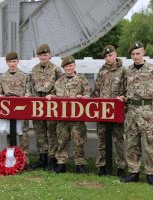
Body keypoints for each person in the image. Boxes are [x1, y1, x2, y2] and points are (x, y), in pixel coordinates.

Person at [46, 55, 90, 173]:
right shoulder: (59, 81)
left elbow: (89, 95)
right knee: (61, 141)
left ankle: (80, 164)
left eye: (70, 66)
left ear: (74, 66)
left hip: (77, 118)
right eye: (66, 66)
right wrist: (51, 96)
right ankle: (61, 163)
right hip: (62, 118)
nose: (69, 68)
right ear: (63, 68)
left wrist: (83, 97)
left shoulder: (82, 80)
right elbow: (54, 94)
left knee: (78, 141)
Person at [121, 41, 153, 185]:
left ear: (143, 52)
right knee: (132, 143)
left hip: (147, 111)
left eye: (138, 53)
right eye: (133, 54)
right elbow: (124, 90)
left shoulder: (151, 69)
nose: (135, 56)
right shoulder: (127, 71)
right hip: (132, 111)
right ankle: (133, 172)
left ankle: (150, 173)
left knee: (149, 144)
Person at [93, 45, 126, 177]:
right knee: (102, 140)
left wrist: (122, 101)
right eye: (106, 56)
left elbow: (126, 90)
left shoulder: (123, 71)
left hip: (116, 112)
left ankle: (120, 167)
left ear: (115, 54)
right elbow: (96, 91)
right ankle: (102, 165)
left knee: (118, 140)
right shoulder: (101, 71)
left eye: (110, 55)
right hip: (102, 112)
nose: (108, 58)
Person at [0, 51, 31, 170]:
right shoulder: (2, 77)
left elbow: (28, 92)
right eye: (10, 62)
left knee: (23, 134)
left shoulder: (24, 76)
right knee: (9, 133)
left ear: (18, 62)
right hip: (8, 108)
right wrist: (0, 97)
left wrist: (26, 96)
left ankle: (24, 160)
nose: (12, 64)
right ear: (7, 63)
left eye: (14, 61)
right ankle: (11, 158)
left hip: (21, 107)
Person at [31, 44, 62, 170]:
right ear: (38, 56)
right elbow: (31, 86)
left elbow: (61, 86)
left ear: (49, 55)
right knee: (40, 131)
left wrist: (53, 95)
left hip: (51, 104)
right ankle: (42, 157)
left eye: (45, 55)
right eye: (41, 55)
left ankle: (52, 158)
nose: (43, 57)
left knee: (52, 131)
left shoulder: (56, 69)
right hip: (38, 104)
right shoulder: (34, 69)